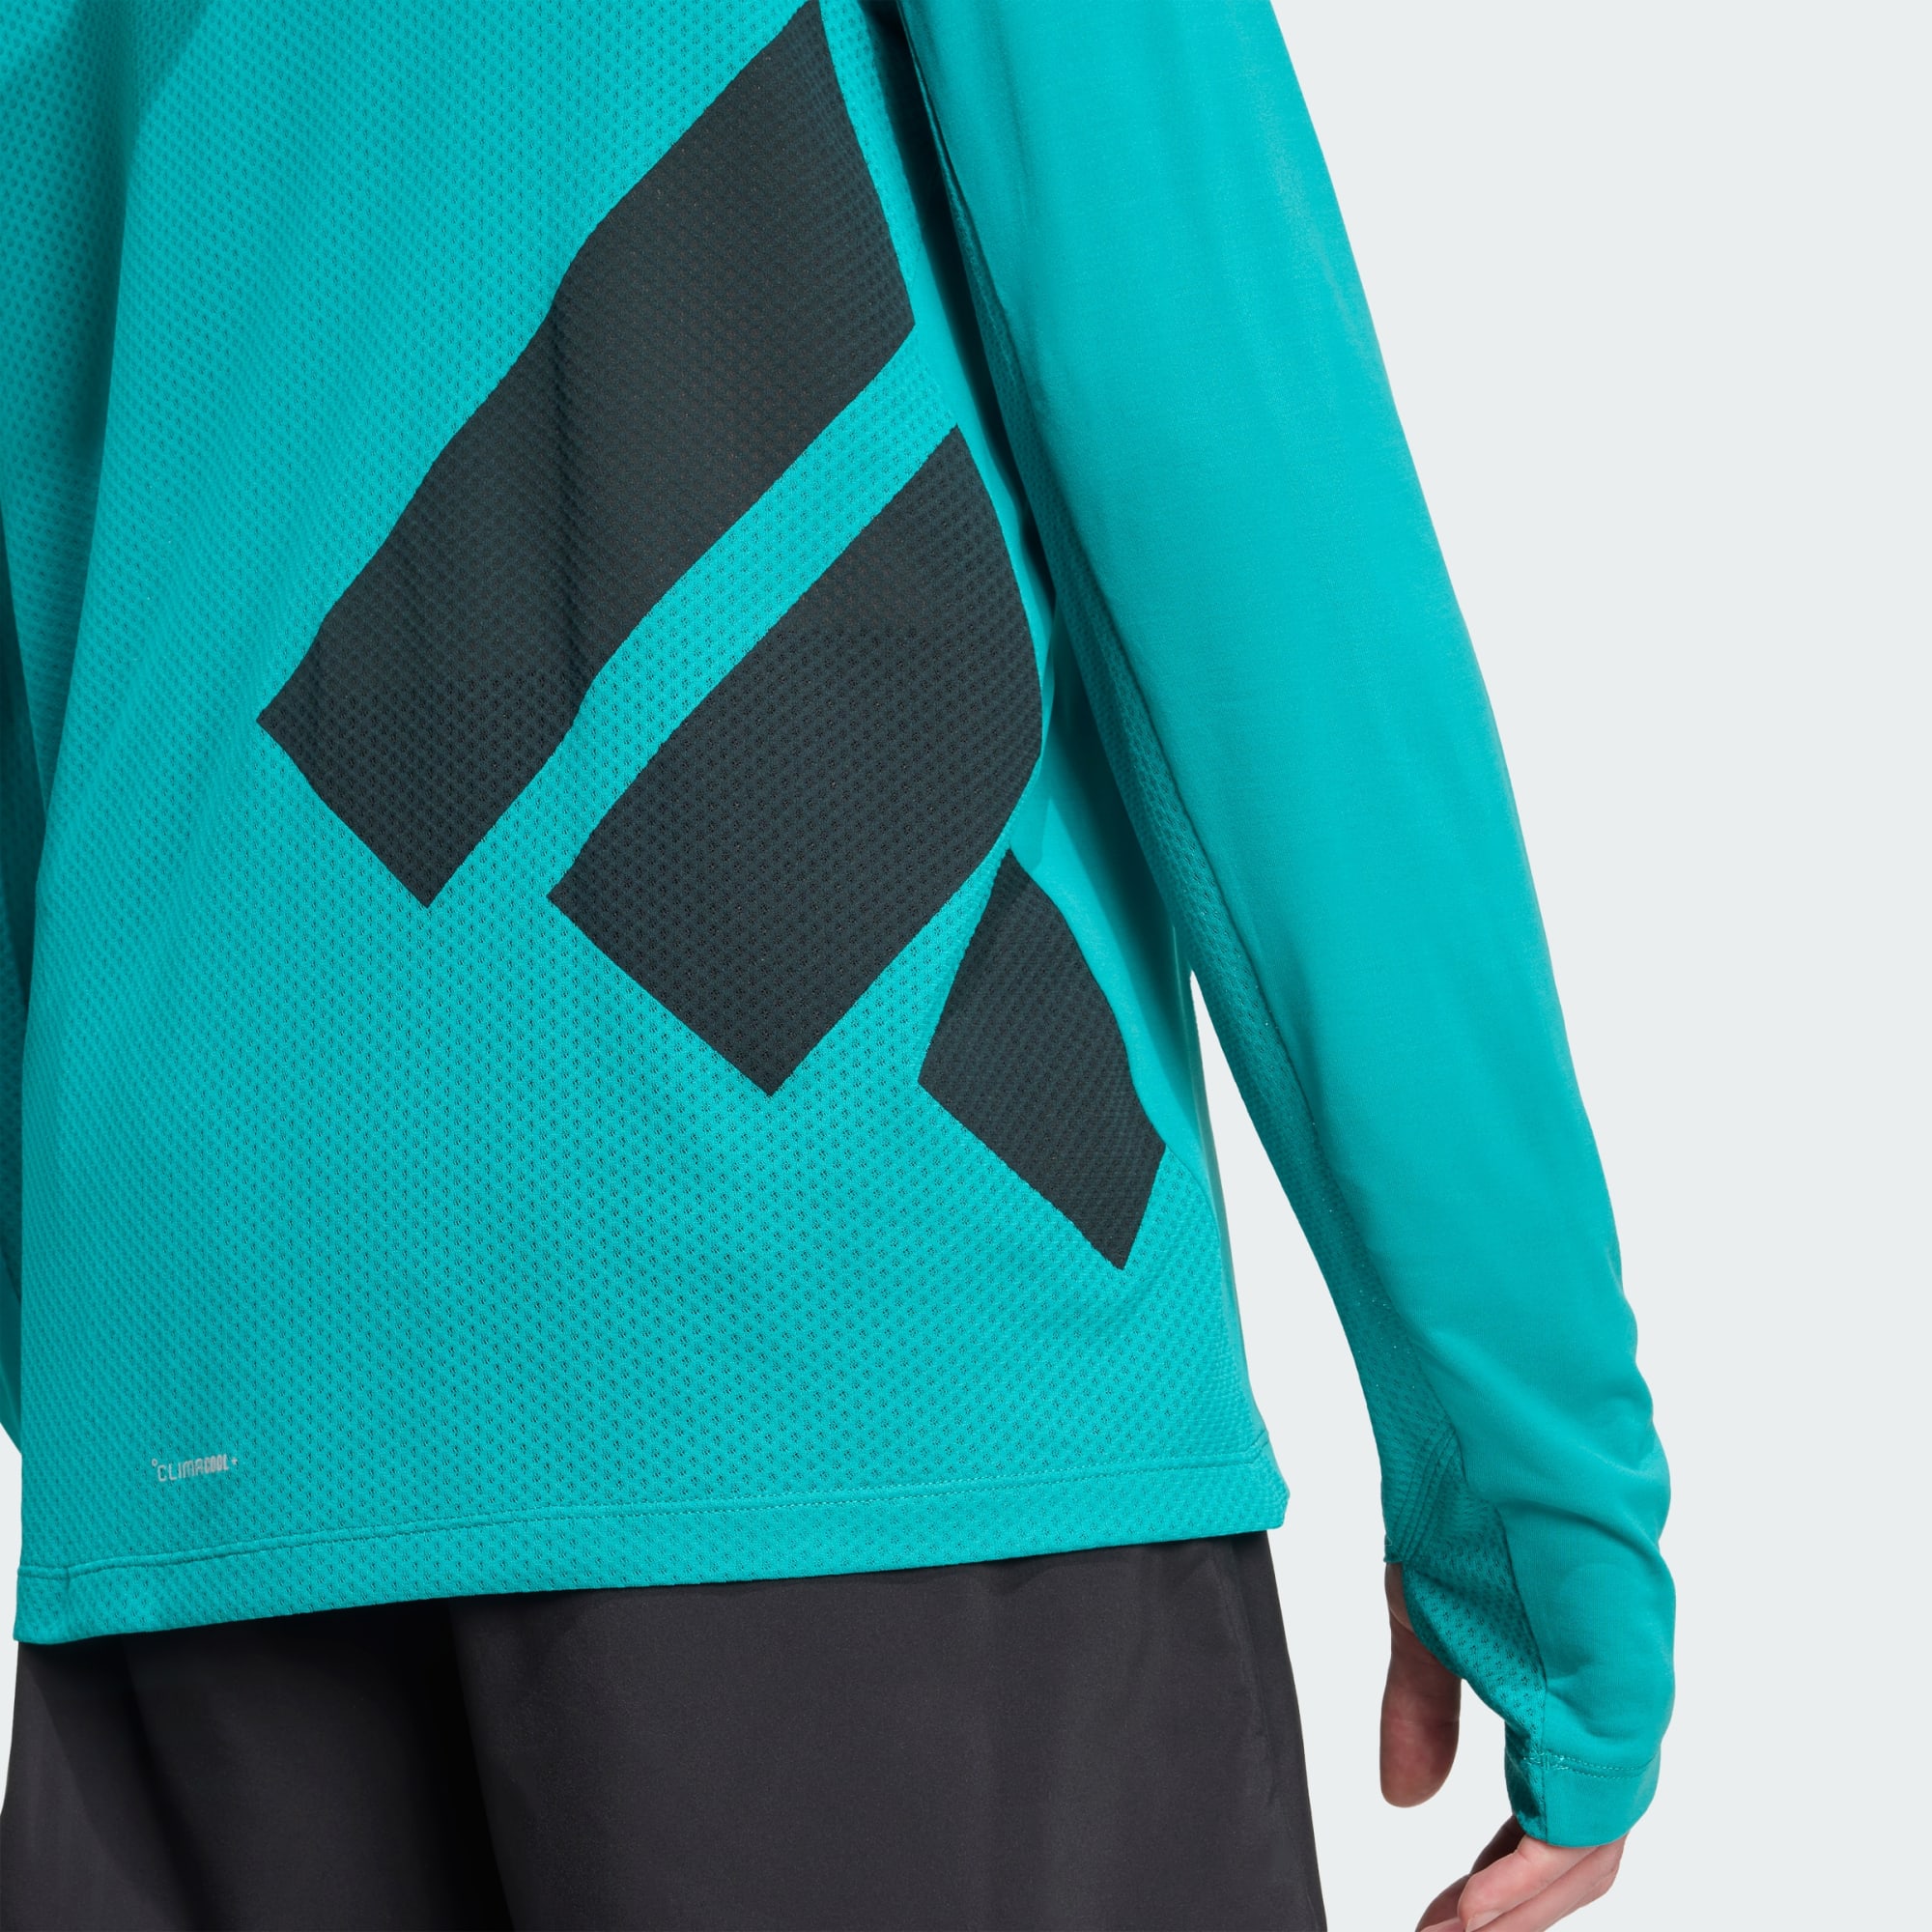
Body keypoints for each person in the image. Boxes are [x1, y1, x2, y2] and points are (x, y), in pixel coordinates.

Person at [0, 2, 1672, 1926]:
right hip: (862, 1368)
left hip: (214, 1401)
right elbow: (1236, 491)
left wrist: (135, 1369)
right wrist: (1526, 1488)